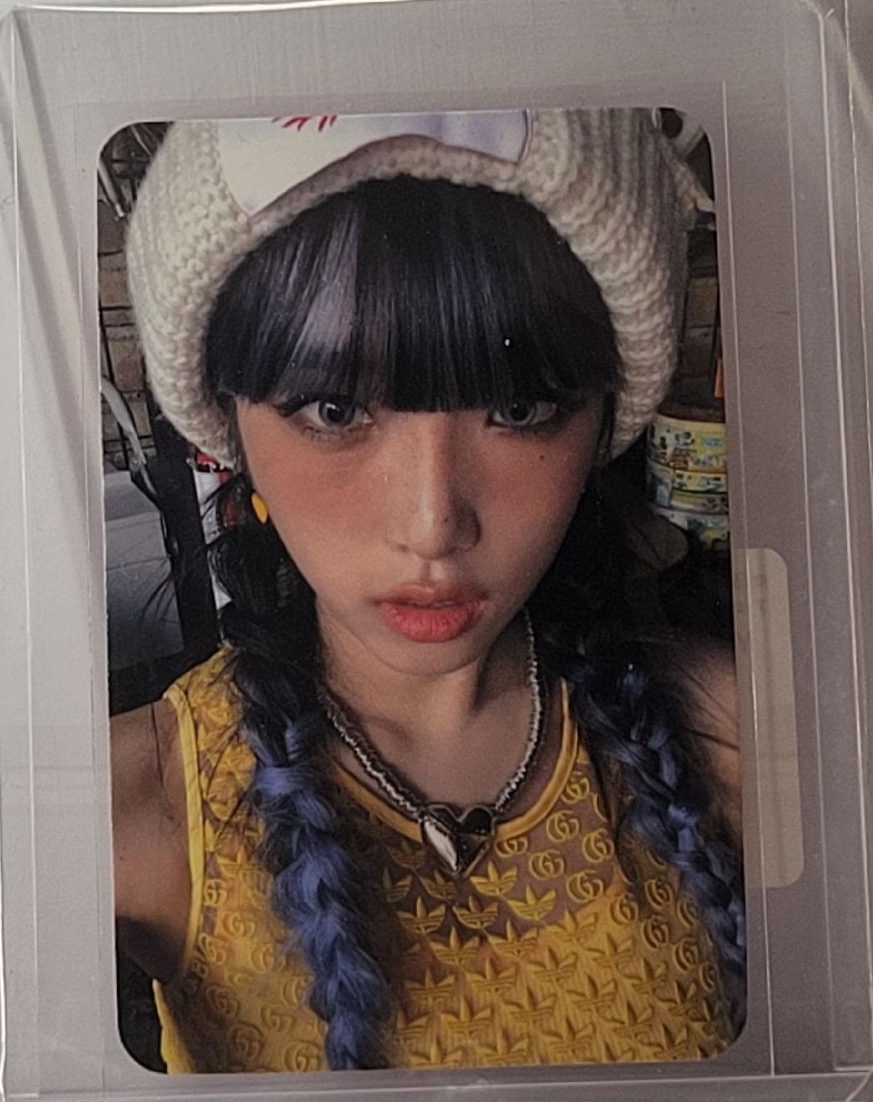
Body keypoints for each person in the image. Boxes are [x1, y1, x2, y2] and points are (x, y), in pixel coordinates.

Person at [112, 108, 744, 1074]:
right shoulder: (131, 807)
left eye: (520, 406)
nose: (433, 522)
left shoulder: (743, 744)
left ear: (604, 417)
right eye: (333, 409)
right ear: (229, 428)